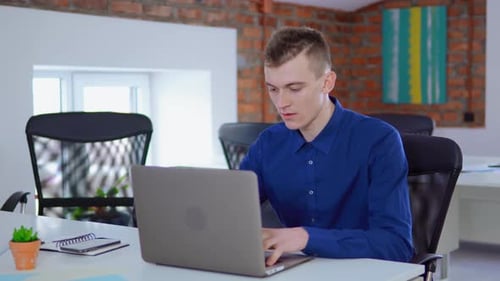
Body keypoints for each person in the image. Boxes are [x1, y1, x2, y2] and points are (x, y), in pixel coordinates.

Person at [239, 26, 413, 266]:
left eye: (295, 88)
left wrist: (306, 237)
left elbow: (397, 244)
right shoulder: (268, 144)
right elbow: (231, 212)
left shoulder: (379, 141)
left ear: (327, 82)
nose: (281, 102)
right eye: (273, 89)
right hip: (298, 270)